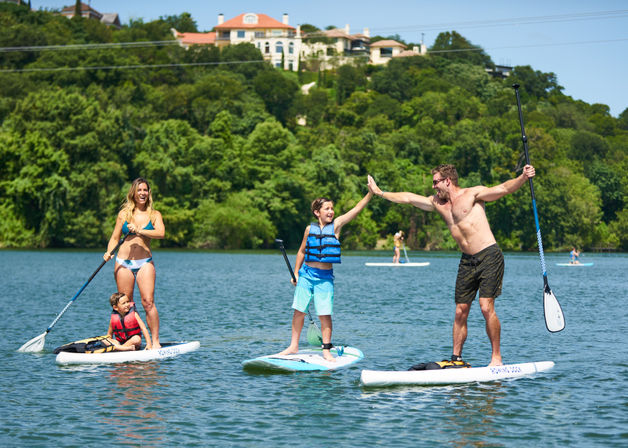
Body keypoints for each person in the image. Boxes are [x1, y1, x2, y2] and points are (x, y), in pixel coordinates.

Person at [367, 164, 536, 366]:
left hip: (489, 255)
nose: (433, 187)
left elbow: (504, 188)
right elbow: (409, 198)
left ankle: (496, 357)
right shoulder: (437, 203)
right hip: (467, 261)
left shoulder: (473, 194)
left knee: (485, 307)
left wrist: (523, 177)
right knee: (460, 310)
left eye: (436, 182)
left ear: (448, 181)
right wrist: (380, 193)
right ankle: (456, 359)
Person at [278, 189, 374, 362]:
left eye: (332, 208)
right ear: (317, 212)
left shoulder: (335, 226)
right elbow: (301, 252)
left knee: (324, 314)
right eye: (327, 209)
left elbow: (356, 210)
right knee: (299, 311)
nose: (331, 211)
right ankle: (293, 346)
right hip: (306, 274)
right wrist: (296, 273)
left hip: (324, 277)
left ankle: (326, 350)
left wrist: (370, 194)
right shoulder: (309, 229)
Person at [104, 178, 164, 349]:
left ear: (149, 193)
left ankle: (155, 341)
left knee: (148, 302)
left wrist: (139, 230)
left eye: (145, 190)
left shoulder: (154, 214)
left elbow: (161, 233)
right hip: (123, 262)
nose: (142, 193)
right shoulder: (124, 214)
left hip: (145, 262)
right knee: (126, 305)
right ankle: (131, 342)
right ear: (133, 193)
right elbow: (115, 238)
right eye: (139, 190)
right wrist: (109, 251)